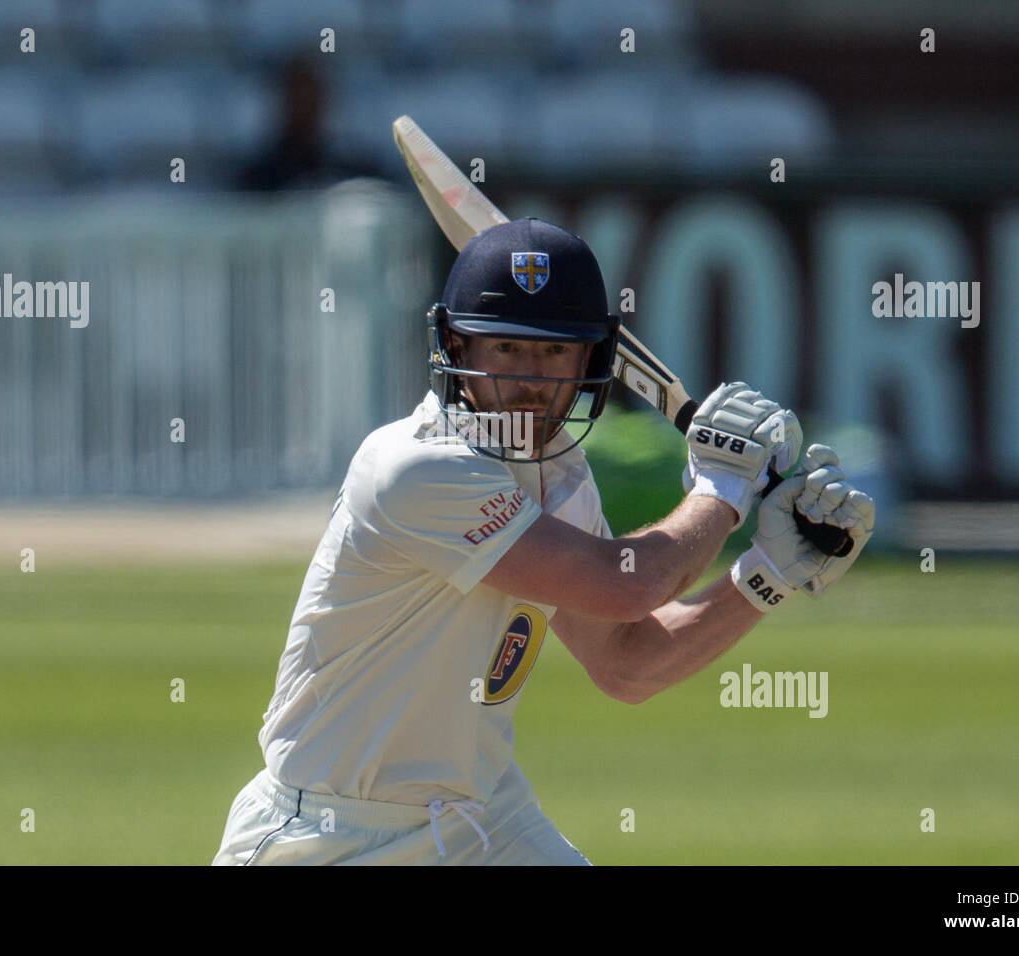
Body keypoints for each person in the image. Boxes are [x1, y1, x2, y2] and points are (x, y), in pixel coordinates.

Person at [212, 217, 874, 865]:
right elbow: (626, 585)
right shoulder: (414, 468)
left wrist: (767, 576)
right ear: (458, 348)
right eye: (508, 348)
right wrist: (721, 492)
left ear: (592, 358)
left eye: (555, 351)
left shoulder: (554, 467)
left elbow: (626, 662)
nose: (532, 377)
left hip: (479, 819)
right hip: (334, 833)